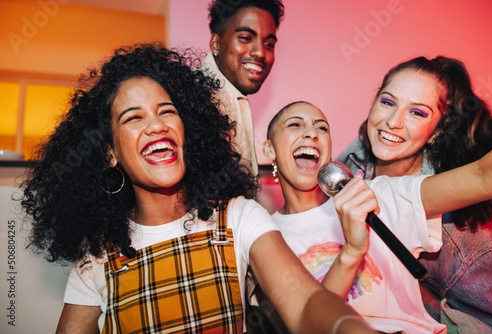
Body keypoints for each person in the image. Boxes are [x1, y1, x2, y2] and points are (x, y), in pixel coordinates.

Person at [20, 43, 376, 334]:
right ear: (110, 152)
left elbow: (306, 302)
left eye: (167, 111)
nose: (157, 125)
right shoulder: (96, 256)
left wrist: (348, 326)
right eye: (134, 117)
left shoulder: (238, 216)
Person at [252, 101, 492, 334]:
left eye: (322, 127)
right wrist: (352, 250)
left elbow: (482, 176)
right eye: (295, 124)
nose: (312, 133)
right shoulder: (263, 235)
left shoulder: (375, 194)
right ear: (269, 148)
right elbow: (311, 322)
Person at [336, 56, 492, 332]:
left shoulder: (458, 233)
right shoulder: (355, 158)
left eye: (417, 113)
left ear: (436, 131)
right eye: (388, 102)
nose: (392, 122)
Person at [201, 0, 284, 178]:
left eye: (269, 44)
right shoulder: (193, 100)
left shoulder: (233, 99)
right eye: (246, 38)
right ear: (215, 43)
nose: (260, 52)